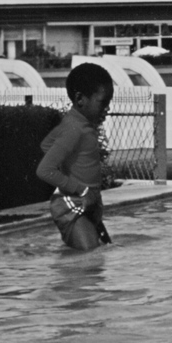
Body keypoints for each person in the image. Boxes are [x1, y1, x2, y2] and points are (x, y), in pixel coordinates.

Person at [37, 62, 114, 251]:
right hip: (73, 202)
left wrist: (69, 165)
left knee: (95, 254)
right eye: (103, 102)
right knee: (89, 259)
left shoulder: (79, 125)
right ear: (80, 98)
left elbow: (46, 145)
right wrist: (80, 189)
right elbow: (44, 170)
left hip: (87, 200)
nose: (108, 109)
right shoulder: (74, 129)